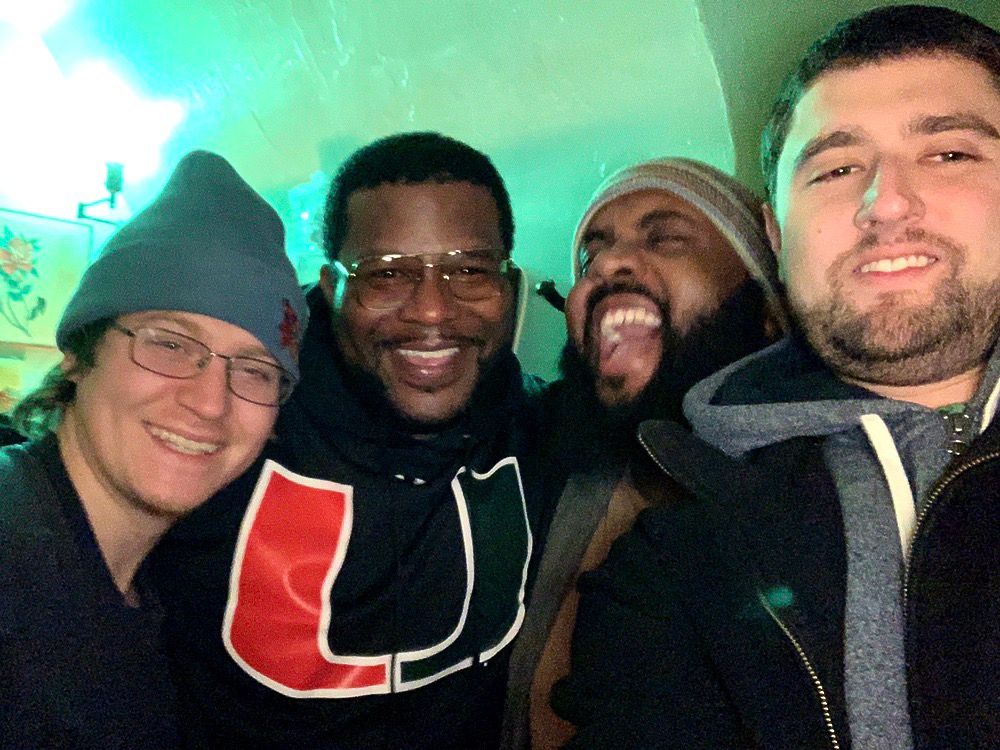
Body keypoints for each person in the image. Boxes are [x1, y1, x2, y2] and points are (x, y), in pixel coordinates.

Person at [553, 5, 1000, 748]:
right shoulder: (680, 561)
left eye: (950, 153)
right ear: (777, 235)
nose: (886, 203)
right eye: (836, 169)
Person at [149, 132, 552, 749]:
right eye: (386, 275)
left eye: (470, 271)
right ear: (331, 287)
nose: (433, 311)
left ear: (508, 284)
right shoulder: (230, 427)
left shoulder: (541, 428)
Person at [0, 150, 308, 749]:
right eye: (170, 345)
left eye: (255, 370)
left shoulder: (151, 596)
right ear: (79, 354)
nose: (211, 403)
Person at [501, 158, 789, 749]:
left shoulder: (808, 503)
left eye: (666, 239)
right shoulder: (541, 463)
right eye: (591, 257)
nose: (608, 264)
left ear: (767, 311)